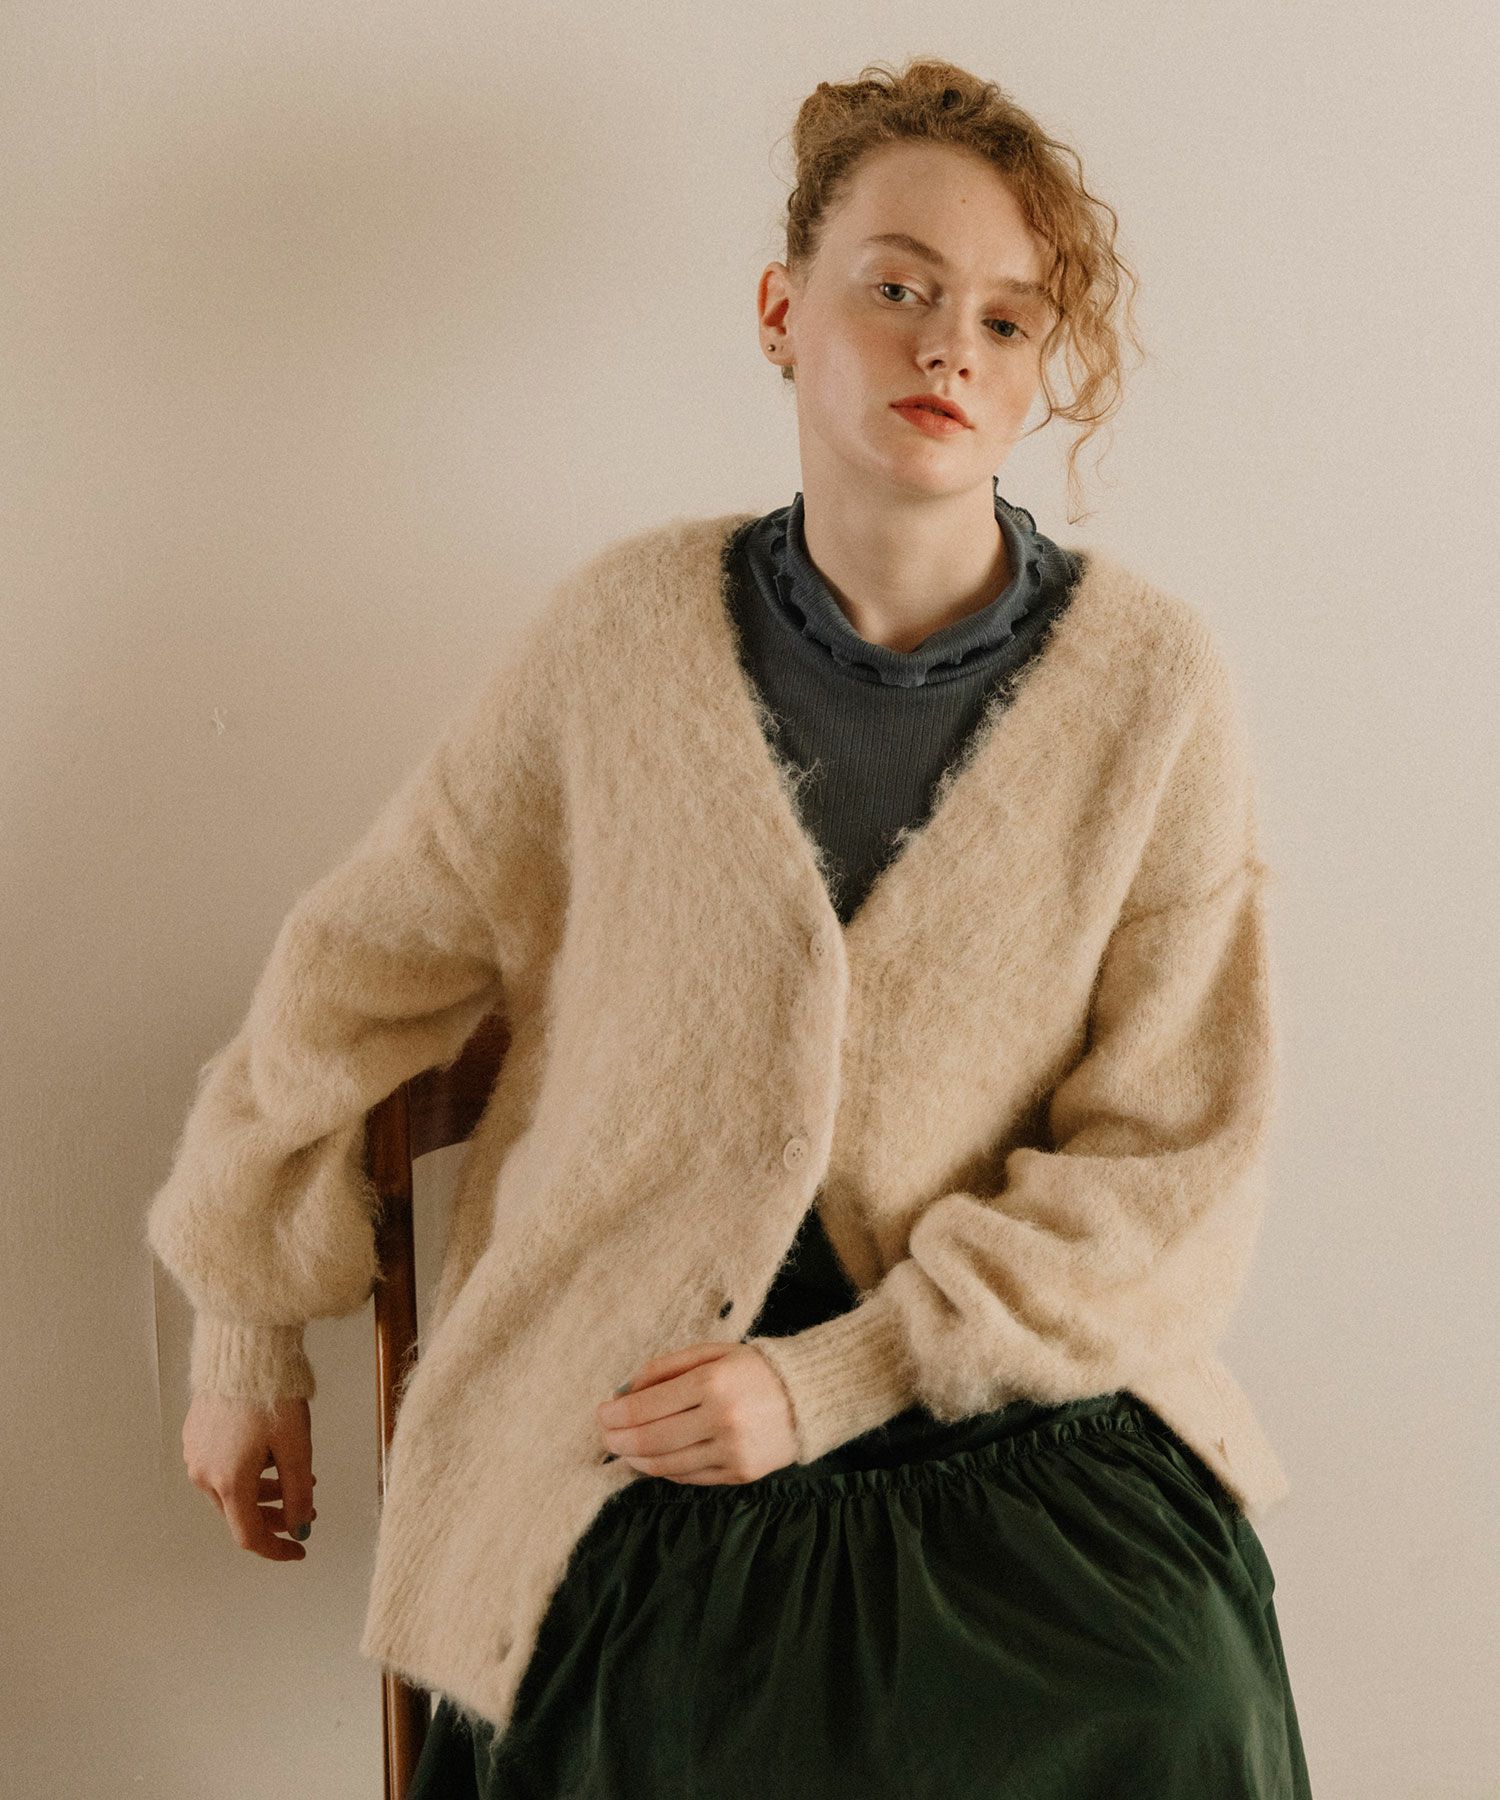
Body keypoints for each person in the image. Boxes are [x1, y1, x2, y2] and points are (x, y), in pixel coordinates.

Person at [152, 56, 1311, 1798]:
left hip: (998, 1380)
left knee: (1169, 1701)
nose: (949, 348)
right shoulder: (616, 642)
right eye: (900, 288)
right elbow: (359, 971)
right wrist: (247, 1327)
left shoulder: (1155, 683)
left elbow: (1174, 1157)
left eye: (1006, 319)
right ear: (783, 310)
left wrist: (838, 1379)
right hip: (639, 1392)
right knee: (667, 1729)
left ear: (1039, 369)